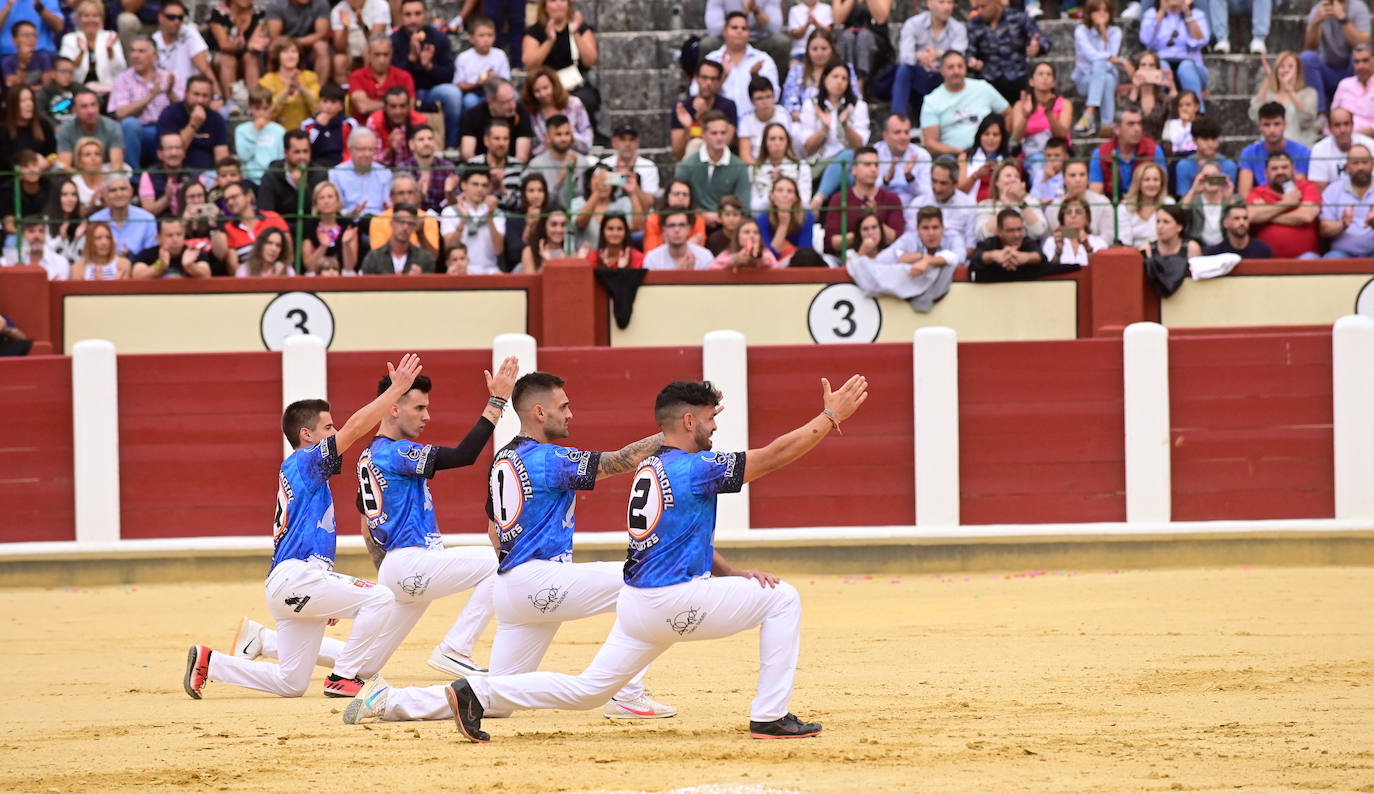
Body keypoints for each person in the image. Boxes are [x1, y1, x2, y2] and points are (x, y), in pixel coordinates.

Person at [440, 374, 870, 743]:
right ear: (688, 421)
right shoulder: (695, 467)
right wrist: (830, 418)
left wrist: (733, 573)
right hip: (671, 601)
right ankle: (770, 715)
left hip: (637, 608)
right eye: (710, 418)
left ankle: (480, 693)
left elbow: (681, 537)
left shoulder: (654, 467)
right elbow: (774, 455)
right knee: (783, 598)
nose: (715, 427)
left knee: (589, 690)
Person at [341, 371, 677, 725]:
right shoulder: (549, 459)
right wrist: (672, 435)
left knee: (497, 697)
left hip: (514, 588)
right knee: (640, 580)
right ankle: (628, 695)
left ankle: (390, 701)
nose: (570, 414)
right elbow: (622, 460)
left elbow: (493, 530)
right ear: (539, 413)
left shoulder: (504, 457)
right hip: (540, 578)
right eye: (564, 407)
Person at [183, 356, 423, 700]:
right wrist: (396, 392)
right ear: (306, 435)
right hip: (297, 576)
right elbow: (356, 428)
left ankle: (211, 663)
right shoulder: (307, 461)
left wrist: (324, 597)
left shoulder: (301, 472)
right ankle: (343, 676)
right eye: (328, 428)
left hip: (288, 583)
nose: (336, 433)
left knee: (291, 682)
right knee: (381, 598)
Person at [349, 360, 520, 685]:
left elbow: (365, 524)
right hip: (414, 561)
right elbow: (463, 456)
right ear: (394, 408)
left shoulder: (368, 455)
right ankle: (457, 648)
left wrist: (387, 576)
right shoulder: (396, 452)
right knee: (499, 559)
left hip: (398, 567)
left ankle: (270, 645)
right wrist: (496, 402)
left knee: (360, 670)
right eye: (419, 407)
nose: (427, 416)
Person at [521, 0, 602, 137]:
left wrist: (575, 34)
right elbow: (529, 64)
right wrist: (549, 41)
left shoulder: (580, 28)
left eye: (562, 0)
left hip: (574, 85)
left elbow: (590, 61)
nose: (559, 4)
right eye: (553, 1)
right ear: (544, 7)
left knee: (587, 99)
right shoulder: (535, 31)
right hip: (544, 85)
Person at [390, 0, 461, 148]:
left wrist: (429, 66)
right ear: (401, 17)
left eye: (417, 14)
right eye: (408, 15)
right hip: (405, 93)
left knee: (452, 94)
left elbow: (449, 74)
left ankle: (451, 146)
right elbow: (392, 77)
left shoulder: (439, 38)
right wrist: (411, 59)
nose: (413, 19)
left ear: (425, 15)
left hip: (431, 91)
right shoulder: (394, 40)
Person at [920, 51, 1010, 158]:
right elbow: (930, 144)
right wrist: (960, 152)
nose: (956, 71)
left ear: (966, 68)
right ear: (942, 71)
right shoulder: (932, 101)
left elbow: (1008, 113)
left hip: (987, 154)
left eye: (960, 66)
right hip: (952, 157)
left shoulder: (983, 88)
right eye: (951, 67)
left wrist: (1001, 142)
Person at [673, 110, 751, 229]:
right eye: (714, 133)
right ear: (704, 134)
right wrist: (702, 215)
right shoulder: (688, 165)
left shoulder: (739, 166)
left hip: (729, 227)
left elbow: (744, 205)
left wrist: (722, 217)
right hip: (693, 224)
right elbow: (677, 201)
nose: (719, 137)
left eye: (723, 133)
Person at [821, 146, 903, 255]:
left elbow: (896, 240)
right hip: (847, 259)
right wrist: (862, 233)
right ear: (853, 170)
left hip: (884, 259)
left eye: (876, 165)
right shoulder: (839, 199)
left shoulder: (892, 199)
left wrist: (875, 218)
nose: (873, 169)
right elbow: (831, 242)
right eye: (867, 165)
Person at [701, 12, 781, 123]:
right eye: (734, 27)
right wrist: (723, 76)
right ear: (725, 31)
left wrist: (755, 77)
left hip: (755, 123)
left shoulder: (763, 60)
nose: (740, 31)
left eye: (744, 28)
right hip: (719, 126)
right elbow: (698, 94)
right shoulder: (712, 60)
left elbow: (774, 96)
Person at [966, 0, 1051, 104]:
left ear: (996, 3)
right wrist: (972, 61)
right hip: (988, 79)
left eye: (983, 7)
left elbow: (1044, 40)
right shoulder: (975, 23)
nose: (979, 11)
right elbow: (968, 52)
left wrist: (1039, 47)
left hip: (1017, 78)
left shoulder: (1019, 17)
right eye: (976, 8)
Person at [893, 0, 964, 123]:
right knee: (903, 70)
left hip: (943, 77)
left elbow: (959, 56)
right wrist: (919, 56)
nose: (947, 7)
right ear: (929, 3)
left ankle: (952, 122)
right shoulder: (913, 24)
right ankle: (898, 120)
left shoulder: (958, 28)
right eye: (942, 2)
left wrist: (939, 55)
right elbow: (904, 56)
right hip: (919, 77)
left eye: (950, 3)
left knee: (955, 70)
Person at [111, 37, 176, 170]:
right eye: (133, 51)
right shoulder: (123, 79)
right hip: (137, 132)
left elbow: (183, 108)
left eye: (141, 51)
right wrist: (150, 97)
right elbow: (120, 113)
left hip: (164, 130)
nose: (135, 55)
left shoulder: (168, 77)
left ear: (154, 54)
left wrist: (170, 94)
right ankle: (133, 178)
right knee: (129, 124)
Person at [797, 59, 868, 177]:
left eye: (844, 78)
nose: (839, 81)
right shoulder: (811, 105)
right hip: (819, 162)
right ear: (825, 78)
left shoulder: (858, 106)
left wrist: (846, 126)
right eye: (835, 76)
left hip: (850, 165)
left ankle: (820, 195)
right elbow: (808, 149)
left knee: (847, 155)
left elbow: (859, 147)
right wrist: (824, 129)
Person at [1246, 151, 1322, 259]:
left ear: (1294, 170)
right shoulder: (1257, 192)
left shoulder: (1307, 187)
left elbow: (1306, 216)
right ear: (1265, 173)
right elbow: (1252, 216)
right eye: (1274, 169)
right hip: (1266, 260)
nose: (1280, 172)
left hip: (1305, 258)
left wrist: (1266, 215)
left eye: (1285, 167)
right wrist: (1285, 203)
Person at [1008, 62, 1073, 184]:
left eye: (1049, 74)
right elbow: (1016, 137)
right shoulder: (1020, 105)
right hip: (1033, 154)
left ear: (1054, 82)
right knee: (1038, 166)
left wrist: (1049, 114)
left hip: (1058, 154)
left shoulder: (1064, 104)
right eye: (1040, 74)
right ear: (1031, 81)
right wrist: (1026, 116)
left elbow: (1063, 134)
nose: (1045, 77)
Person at [1301, 0, 1371, 113]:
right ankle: (1320, 114)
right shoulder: (1318, 10)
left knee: (1362, 58)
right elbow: (1309, 46)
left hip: (1350, 69)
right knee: (1307, 58)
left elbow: (1362, 45)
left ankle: (1357, 112)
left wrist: (1342, 17)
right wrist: (1316, 22)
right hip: (1327, 71)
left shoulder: (1358, 8)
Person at [1089, 104, 1166, 201]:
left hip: (1144, 206)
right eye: (1131, 124)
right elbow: (1095, 195)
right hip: (1113, 208)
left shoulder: (1154, 150)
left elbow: (1162, 188)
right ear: (1117, 129)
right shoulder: (1100, 153)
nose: (1137, 129)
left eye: (1139, 124)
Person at [1140, 0, 1208, 104]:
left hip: (1190, 63)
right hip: (1162, 60)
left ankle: (1197, 114)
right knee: (1162, 67)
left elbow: (1201, 40)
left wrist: (1188, 14)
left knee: (1186, 68)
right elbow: (1146, 40)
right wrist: (1161, 11)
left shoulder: (1196, 14)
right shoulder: (1151, 14)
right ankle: (1158, 113)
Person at [156, 74, 229, 172]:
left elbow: (222, 157)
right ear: (186, 93)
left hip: (208, 175)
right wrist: (194, 124)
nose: (200, 100)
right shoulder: (170, 114)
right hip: (177, 173)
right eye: (196, 94)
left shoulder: (216, 119)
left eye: (205, 96)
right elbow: (174, 153)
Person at [1238, 101, 1313, 195]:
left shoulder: (1302, 152)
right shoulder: (1249, 153)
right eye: (1266, 124)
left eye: (1277, 124)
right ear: (1259, 126)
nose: (1272, 130)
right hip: (1260, 205)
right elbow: (1244, 193)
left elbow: (1301, 190)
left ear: (1285, 125)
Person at [440, 167, 504, 275]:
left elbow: (498, 249)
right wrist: (463, 220)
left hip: (489, 271)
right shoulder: (449, 212)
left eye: (484, 185)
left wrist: (490, 218)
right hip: (460, 272)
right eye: (475, 184)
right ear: (464, 185)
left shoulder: (496, 213)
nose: (480, 189)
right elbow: (448, 247)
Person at [153, 0, 221, 102]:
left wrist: (217, 96)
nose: (176, 21)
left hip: (192, 97)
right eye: (171, 17)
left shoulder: (189, 33)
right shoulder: (154, 40)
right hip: (162, 97)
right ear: (160, 17)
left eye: (180, 18)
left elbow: (205, 68)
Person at [670, 59, 738, 162]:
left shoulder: (728, 106)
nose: (708, 83)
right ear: (696, 78)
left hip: (720, 162)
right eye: (704, 78)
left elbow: (723, 145)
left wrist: (704, 116)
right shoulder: (683, 108)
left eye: (713, 79)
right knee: (695, 145)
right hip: (691, 167)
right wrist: (688, 129)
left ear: (719, 81)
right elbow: (678, 154)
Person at [781, 29, 855, 122]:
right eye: (814, 49)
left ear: (832, 48)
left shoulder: (845, 69)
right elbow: (789, 101)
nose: (819, 53)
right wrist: (802, 117)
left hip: (839, 120)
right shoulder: (797, 70)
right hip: (803, 121)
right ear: (807, 50)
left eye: (824, 49)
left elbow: (854, 97)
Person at [1072, 0, 1122, 136]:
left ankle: (1090, 115)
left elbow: (1111, 61)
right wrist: (1109, 56)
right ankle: (1106, 123)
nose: (1102, 15)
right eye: (1097, 11)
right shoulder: (1081, 31)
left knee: (1108, 77)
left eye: (1105, 11)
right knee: (1103, 70)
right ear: (1089, 13)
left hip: (1106, 75)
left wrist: (1104, 32)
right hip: (1084, 79)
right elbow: (1092, 55)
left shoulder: (1115, 32)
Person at [1251, 51, 1321, 148]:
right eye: (1282, 66)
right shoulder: (1269, 95)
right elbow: (1255, 115)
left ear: (1298, 70)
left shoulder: (1309, 93)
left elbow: (1306, 119)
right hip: (1270, 150)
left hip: (1298, 149)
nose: (1286, 70)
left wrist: (1289, 89)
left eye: (1290, 66)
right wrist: (1267, 78)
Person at [970, 208, 1061, 281]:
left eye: (1019, 229)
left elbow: (1040, 257)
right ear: (999, 232)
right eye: (1011, 230)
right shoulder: (990, 243)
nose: (1017, 235)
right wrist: (993, 256)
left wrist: (1025, 257)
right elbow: (975, 259)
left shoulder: (1027, 241)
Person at [459, 76, 536, 162]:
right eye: (506, 102)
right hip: (480, 168)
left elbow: (522, 156)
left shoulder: (521, 112)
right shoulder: (473, 115)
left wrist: (507, 172)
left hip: (513, 170)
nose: (513, 106)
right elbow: (467, 154)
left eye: (513, 99)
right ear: (491, 102)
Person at [703, 0, 790, 72]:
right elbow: (713, 29)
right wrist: (736, 24)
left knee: (781, 42)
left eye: (744, 28)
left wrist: (756, 10)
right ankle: (707, 87)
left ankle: (775, 89)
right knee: (707, 44)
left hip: (759, 41)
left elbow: (775, 29)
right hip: (728, 42)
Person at [975, 160, 1049, 243]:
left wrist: (1021, 203)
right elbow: (983, 235)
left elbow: (1039, 232)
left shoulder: (1030, 201)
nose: (1013, 180)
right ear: (997, 182)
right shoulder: (985, 205)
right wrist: (1005, 207)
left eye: (1017, 177)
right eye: (1008, 176)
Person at [1320, 144, 1374, 257]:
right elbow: (1323, 229)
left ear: (1372, 164)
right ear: (1346, 167)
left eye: (1365, 162)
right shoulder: (1333, 190)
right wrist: (1342, 224)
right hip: (1342, 254)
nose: (1361, 167)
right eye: (1355, 163)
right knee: (1330, 260)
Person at [524, 65, 591, 155]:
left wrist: (570, 137)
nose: (543, 94)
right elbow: (535, 147)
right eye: (537, 91)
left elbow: (588, 141)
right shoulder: (534, 112)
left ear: (554, 85)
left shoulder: (574, 104)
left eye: (545, 88)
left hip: (576, 157)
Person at [61, 0, 125, 93]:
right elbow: (66, 73)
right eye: (86, 16)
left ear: (101, 19)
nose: (91, 20)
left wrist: (109, 51)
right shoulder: (69, 39)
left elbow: (120, 70)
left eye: (95, 16)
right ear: (79, 18)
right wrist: (81, 54)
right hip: (78, 90)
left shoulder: (110, 36)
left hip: (107, 89)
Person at [525, 113, 590, 204]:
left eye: (567, 134)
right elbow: (537, 202)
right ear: (547, 137)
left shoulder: (583, 162)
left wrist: (574, 174)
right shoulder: (536, 165)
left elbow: (583, 199)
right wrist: (560, 178)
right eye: (558, 134)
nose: (564, 139)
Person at [264, 0, 332, 86]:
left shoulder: (321, 3)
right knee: (273, 47)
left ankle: (319, 91)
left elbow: (321, 34)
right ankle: (271, 89)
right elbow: (274, 36)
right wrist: (291, 47)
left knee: (322, 46)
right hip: (283, 46)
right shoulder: (275, 4)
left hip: (310, 47)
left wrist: (296, 42)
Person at [130, 215, 224, 277]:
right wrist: (159, 266)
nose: (175, 239)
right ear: (158, 238)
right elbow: (136, 275)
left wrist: (190, 266)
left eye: (179, 234)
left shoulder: (193, 253)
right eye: (169, 235)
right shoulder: (147, 254)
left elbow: (207, 273)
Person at [209, 0, 266, 99]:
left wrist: (246, 45)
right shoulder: (218, 13)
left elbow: (253, 44)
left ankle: (255, 101)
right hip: (221, 57)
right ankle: (230, 103)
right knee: (228, 59)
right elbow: (224, 45)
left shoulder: (259, 13)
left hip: (247, 57)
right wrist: (243, 45)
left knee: (250, 57)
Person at [349, 35, 413, 124]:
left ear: (391, 53)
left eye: (385, 54)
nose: (381, 60)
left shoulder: (404, 76)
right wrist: (395, 105)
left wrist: (373, 105)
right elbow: (363, 106)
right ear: (368, 54)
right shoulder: (357, 76)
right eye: (377, 54)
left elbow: (410, 107)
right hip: (365, 131)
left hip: (397, 127)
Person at [749, 121, 811, 212]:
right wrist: (773, 190)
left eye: (781, 139)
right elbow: (754, 208)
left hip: (794, 217)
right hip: (764, 218)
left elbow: (805, 203)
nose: (777, 143)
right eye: (772, 139)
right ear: (765, 142)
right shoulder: (754, 169)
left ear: (787, 142)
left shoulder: (801, 166)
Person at [57, 86, 124, 170]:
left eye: (93, 105)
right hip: (76, 175)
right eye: (84, 106)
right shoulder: (66, 129)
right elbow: (64, 166)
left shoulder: (112, 127)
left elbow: (116, 166)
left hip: (106, 173)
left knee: (119, 181)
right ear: (74, 111)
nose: (90, 111)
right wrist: (84, 181)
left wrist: (99, 181)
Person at [260, 39, 319, 132]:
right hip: (277, 133)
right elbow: (266, 113)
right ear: (277, 56)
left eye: (294, 52)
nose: (290, 56)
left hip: (305, 134)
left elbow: (317, 108)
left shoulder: (310, 77)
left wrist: (301, 87)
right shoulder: (267, 80)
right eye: (285, 52)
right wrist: (286, 91)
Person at [329, 126, 391, 216]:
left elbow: (388, 207)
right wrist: (352, 213)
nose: (367, 154)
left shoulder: (385, 173)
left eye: (371, 149)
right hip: (349, 221)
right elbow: (336, 209)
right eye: (362, 149)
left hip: (378, 223)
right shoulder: (336, 174)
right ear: (350, 150)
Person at [88, 174, 156, 256]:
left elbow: (152, 256)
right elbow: (90, 254)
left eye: (123, 189)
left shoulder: (147, 220)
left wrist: (130, 256)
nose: (119, 194)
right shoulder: (95, 221)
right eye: (113, 190)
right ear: (105, 195)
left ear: (131, 191)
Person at [454, 16, 510, 114]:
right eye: (481, 35)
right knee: (470, 101)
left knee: (514, 97)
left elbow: (507, 81)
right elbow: (458, 84)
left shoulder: (500, 54)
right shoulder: (463, 57)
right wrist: (477, 83)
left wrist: (495, 78)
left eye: (490, 35)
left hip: (496, 92)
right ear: (471, 38)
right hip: (473, 92)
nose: (486, 39)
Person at [398, 124, 459, 215]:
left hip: (442, 221)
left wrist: (449, 193)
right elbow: (398, 206)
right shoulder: (402, 169)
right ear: (411, 144)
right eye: (421, 139)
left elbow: (457, 208)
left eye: (430, 139)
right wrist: (418, 197)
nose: (426, 143)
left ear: (435, 142)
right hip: (412, 220)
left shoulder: (447, 167)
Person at [360, 201, 435, 273]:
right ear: (392, 223)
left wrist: (419, 281)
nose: (405, 227)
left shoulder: (424, 258)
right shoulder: (373, 258)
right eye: (401, 222)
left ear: (414, 227)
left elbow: (431, 284)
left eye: (410, 223)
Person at [1174, 115, 1240, 197]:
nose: (1210, 144)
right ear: (1194, 140)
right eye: (1205, 139)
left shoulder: (1229, 166)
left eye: (1214, 139)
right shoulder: (1184, 166)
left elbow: (1227, 197)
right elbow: (1184, 201)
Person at [571, 165, 634, 249]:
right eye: (598, 178)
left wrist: (633, 192)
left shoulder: (622, 202)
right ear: (589, 183)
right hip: (586, 258)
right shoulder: (577, 203)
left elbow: (636, 226)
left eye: (607, 179)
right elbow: (580, 224)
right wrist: (597, 191)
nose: (604, 183)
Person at [1310, 108, 1374, 191]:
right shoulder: (1319, 149)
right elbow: (1321, 189)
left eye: (1346, 124)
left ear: (1352, 125)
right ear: (1329, 128)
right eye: (1337, 125)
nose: (1342, 130)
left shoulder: (1371, 145)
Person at [301, 179, 358, 273]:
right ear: (316, 204)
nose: (326, 201)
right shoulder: (309, 226)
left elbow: (350, 267)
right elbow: (309, 267)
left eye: (330, 197)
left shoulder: (348, 225)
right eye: (321, 198)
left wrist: (346, 244)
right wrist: (323, 247)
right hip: (316, 276)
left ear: (337, 201)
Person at [1121, 50, 1175, 143]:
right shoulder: (1125, 97)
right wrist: (1135, 89)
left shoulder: (1164, 99)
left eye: (1151, 65)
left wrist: (1172, 88)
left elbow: (1176, 122)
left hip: (1158, 148)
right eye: (1143, 65)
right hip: (1133, 147)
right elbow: (1124, 119)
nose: (1147, 68)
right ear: (1137, 69)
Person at [598, 121, 660, 202]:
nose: (627, 144)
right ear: (614, 142)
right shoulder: (604, 164)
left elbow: (649, 202)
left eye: (632, 139)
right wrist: (622, 178)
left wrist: (633, 186)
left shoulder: (649, 166)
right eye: (623, 139)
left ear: (637, 142)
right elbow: (598, 195)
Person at [235, 86, 285, 185]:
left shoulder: (279, 131)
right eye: (257, 109)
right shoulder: (241, 130)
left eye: (265, 108)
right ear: (250, 107)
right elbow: (244, 156)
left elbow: (281, 160)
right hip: (249, 179)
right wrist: (255, 132)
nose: (261, 113)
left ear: (271, 107)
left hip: (273, 180)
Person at [1115, 161, 1173, 247]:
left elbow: (1173, 237)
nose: (1152, 184)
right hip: (1134, 255)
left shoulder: (1169, 203)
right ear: (1138, 183)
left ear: (1162, 183)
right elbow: (1125, 243)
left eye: (1156, 180)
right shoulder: (1124, 207)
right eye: (1147, 180)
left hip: (1163, 253)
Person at [757, 175, 813, 262]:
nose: (785, 194)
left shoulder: (806, 216)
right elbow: (769, 257)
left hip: (798, 265)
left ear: (795, 198)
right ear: (772, 196)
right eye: (780, 190)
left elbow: (805, 252)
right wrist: (783, 224)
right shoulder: (763, 219)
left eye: (790, 191)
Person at [737, 76, 791, 165]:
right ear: (751, 101)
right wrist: (762, 171)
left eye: (768, 97)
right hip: (756, 167)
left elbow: (788, 149)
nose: (765, 102)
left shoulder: (783, 115)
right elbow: (745, 155)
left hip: (783, 166)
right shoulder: (745, 120)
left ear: (774, 97)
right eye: (760, 98)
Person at [0, 84, 54, 174]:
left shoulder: (44, 125)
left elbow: (52, 154)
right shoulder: (3, 131)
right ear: (13, 104)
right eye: (23, 101)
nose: (29, 104)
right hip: (11, 181)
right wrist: (26, 168)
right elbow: (3, 162)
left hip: (42, 176)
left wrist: (47, 163)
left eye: (31, 99)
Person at [929, 159, 978, 258]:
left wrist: (949, 260)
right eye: (934, 181)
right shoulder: (919, 203)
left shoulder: (969, 204)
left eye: (943, 183)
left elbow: (971, 246)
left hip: (957, 263)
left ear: (955, 183)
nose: (937, 188)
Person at [330, 0, 388, 82]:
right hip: (350, 51)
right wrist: (345, 28)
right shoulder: (338, 10)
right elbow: (340, 49)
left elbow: (376, 42)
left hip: (372, 49)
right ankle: (346, 92)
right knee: (339, 60)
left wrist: (362, 25)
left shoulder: (380, 5)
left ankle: (370, 88)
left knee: (368, 53)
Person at [1181, 160, 1235, 248]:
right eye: (1206, 176)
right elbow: (1179, 216)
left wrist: (1230, 199)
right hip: (1200, 247)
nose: (1211, 179)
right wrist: (1193, 190)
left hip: (1226, 246)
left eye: (1214, 176)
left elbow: (1239, 219)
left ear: (1221, 178)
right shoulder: (1193, 199)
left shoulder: (1231, 198)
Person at [643, 179, 707, 251]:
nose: (681, 197)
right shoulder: (654, 219)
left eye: (685, 194)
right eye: (676, 194)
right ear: (667, 197)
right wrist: (688, 244)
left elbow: (699, 254)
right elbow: (649, 253)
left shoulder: (698, 220)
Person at [957, 114, 1010, 202]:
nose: (991, 138)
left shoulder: (1008, 160)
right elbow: (959, 192)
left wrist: (1000, 173)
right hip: (970, 208)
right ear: (980, 136)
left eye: (995, 135)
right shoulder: (966, 156)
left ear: (1002, 138)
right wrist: (976, 175)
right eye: (986, 134)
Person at [137, 132, 191, 217]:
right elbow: (147, 212)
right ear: (160, 154)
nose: (174, 153)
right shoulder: (149, 175)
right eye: (169, 148)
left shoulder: (194, 175)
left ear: (184, 153)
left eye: (178, 148)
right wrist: (167, 198)